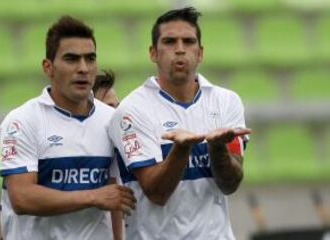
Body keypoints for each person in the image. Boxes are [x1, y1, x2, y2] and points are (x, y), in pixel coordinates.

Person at [107, 7, 251, 239]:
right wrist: (181, 149)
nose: (180, 49)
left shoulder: (226, 102)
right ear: (153, 53)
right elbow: (157, 193)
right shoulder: (132, 111)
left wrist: (216, 148)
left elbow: (230, 185)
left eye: (188, 41)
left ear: (200, 52)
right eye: (170, 42)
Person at [0, 16, 136, 240]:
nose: (83, 68)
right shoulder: (22, 121)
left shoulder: (112, 120)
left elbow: (113, 195)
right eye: (71, 59)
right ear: (48, 67)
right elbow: (22, 198)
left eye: (90, 59)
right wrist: (92, 196)